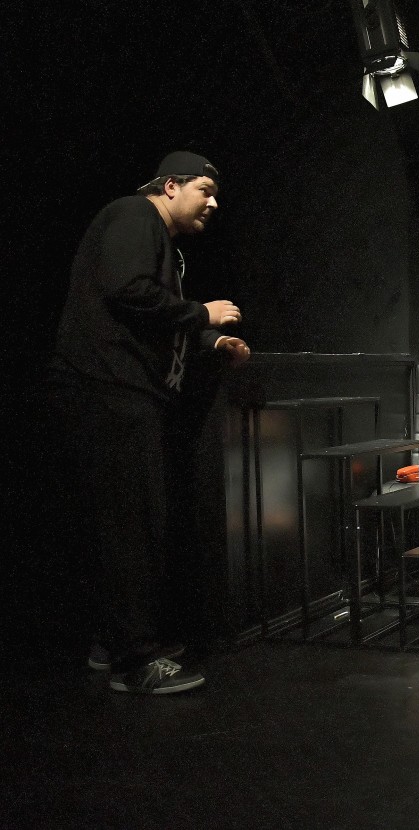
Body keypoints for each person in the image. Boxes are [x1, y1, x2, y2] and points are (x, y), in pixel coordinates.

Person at [47, 151, 251, 694]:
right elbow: (127, 289)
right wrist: (202, 313)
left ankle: (113, 640)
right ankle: (134, 661)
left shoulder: (160, 240)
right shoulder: (134, 214)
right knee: (130, 524)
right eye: (205, 190)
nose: (213, 203)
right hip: (108, 389)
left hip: (122, 392)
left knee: (127, 521)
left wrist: (209, 340)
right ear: (170, 186)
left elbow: (152, 316)